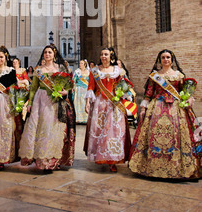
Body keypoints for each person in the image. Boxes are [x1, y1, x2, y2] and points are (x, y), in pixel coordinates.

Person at [129, 49, 202, 179]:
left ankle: (178, 167)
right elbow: (149, 93)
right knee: (154, 136)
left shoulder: (179, 75)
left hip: (175, 109)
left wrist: (189, 99)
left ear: (172, 60)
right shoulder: (154, 76)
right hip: (157, 107)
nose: (166, 59)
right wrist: (144, 109)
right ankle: (153, 167)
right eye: (163, 57)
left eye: (168, 57)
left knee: (178, 136)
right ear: (159, 60)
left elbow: (184, 92)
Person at [19, 44, 76, 171]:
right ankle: (41, 159)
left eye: (50, 52)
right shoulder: (39, 69)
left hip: (55, 101)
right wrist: (29, 103)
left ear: (54, 54)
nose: (47, 54)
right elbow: (33, 88)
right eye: (45, 52)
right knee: (42, 128)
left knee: (54, 128)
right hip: (41, 100)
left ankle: (53, 159)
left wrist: (65, 92)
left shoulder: (60, 68)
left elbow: (69, 85)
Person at [84, 47, 131, 172]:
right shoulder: (94, 71)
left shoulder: (118, 71)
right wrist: (88, 103)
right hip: (100, 104)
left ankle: (113, 160)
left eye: (106, 54)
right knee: (99, 130)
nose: (103, 56)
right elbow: (90, 87)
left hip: (114, 104)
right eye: (101, 54)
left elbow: (123, 86)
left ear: (111, 57)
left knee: (114, 131)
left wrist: (122, 95)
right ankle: (100, 155)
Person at [73, 60, 89, 124]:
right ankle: (78, 119)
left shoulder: (88, 72)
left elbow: (90, 81)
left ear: (85, 64)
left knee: (85, 103)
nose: (80, 64)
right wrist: (73, 87)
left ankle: (86, 118)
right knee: (79, 104)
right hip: (78, 89)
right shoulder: (77, 72)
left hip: (86, 90)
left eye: (81, 63)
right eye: (79, 63)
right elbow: (73, 80)